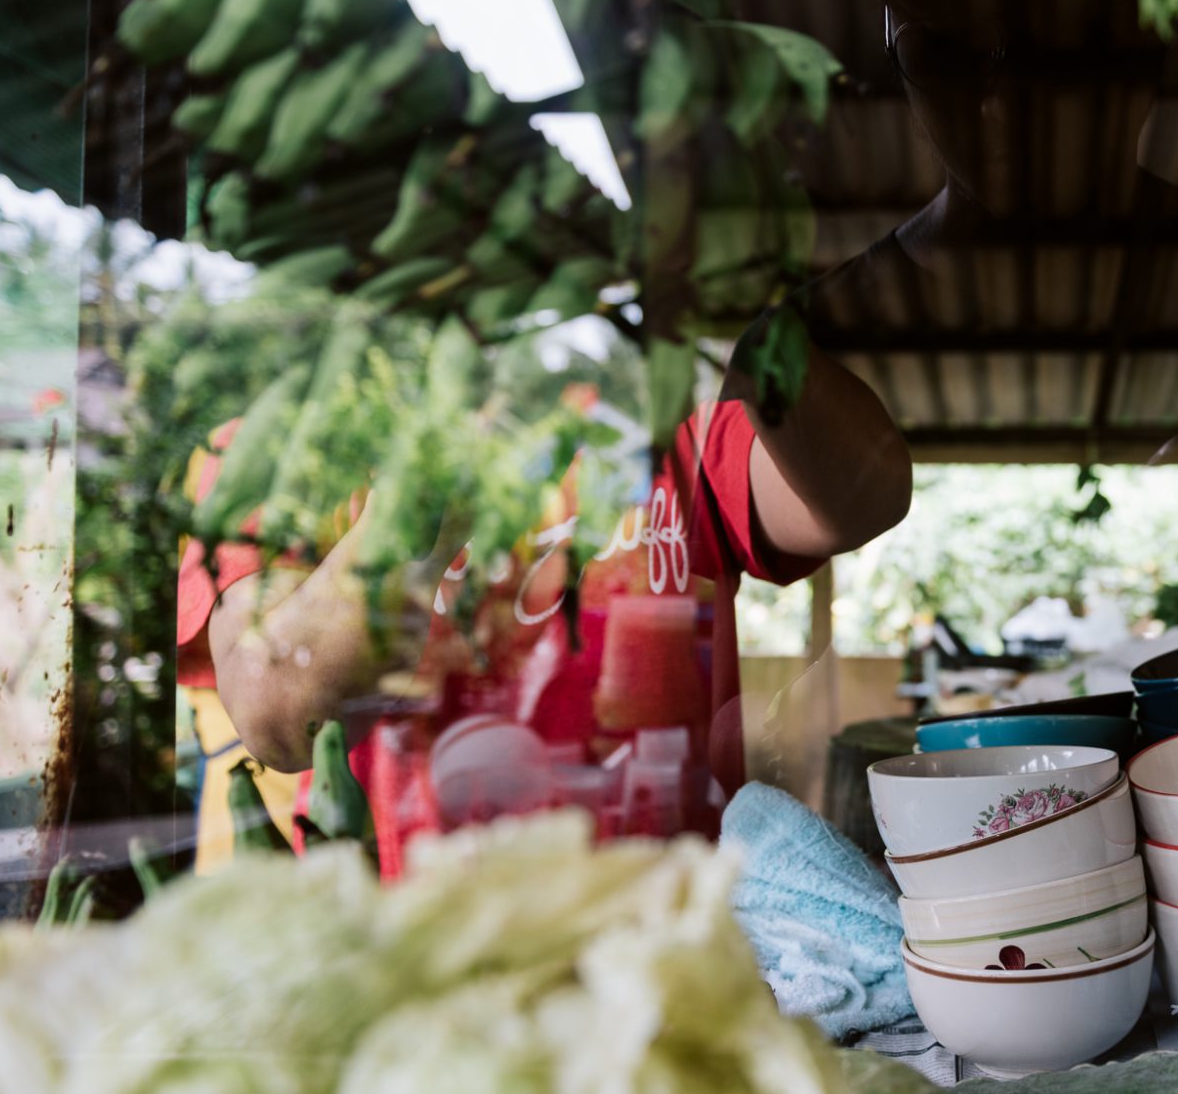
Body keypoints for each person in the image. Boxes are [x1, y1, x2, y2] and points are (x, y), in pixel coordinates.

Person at [179, 314, 911, 875]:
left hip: (668, 949)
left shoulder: (663, 421)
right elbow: (277, 715)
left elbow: (864, 498)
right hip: (406, 961)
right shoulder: (286, 445)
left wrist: (758, 324)